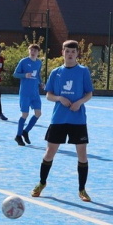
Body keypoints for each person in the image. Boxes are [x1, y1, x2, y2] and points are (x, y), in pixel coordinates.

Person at [31, 40, 94, 201]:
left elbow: (89, 93)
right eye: (67, 51)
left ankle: (82, 189)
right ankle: (42, 182)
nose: (70, 54)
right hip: (58, 118)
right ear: (63, 53)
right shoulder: (56, 72)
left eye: (73, 52)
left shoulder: (83, 71)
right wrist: (59, 98)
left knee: (82, 154)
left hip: (78, 119)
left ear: (77, 53)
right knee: (49, 152)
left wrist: (79, 102)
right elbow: (48, 94)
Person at [13, 44, 44, 145]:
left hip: (35, 93)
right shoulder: (23, 61)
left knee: (38, 113)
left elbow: (38, 75)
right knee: (25, 115)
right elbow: (15, 74)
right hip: (25, 93)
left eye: (35, 50)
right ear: (29, 51)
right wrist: (24, 75)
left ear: (38, 52)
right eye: (31, 50)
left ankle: (25, 131)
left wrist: (41, 83)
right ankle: (18, 136)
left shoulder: (39, 62)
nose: (33, 52)